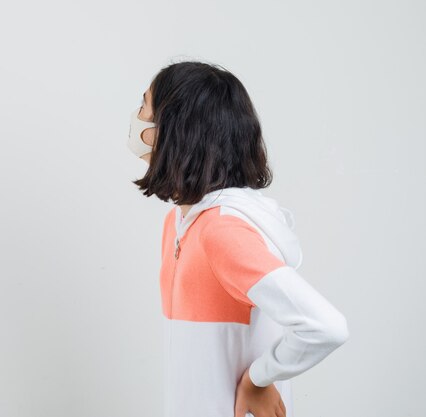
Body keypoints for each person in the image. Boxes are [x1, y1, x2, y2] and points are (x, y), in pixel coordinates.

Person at [126, 61, 349, 417]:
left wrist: (258, 379)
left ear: (175, 129)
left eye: (144, 107)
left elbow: (326, 326)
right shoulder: (180, 222)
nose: (137, 119)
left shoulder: (222, 231)